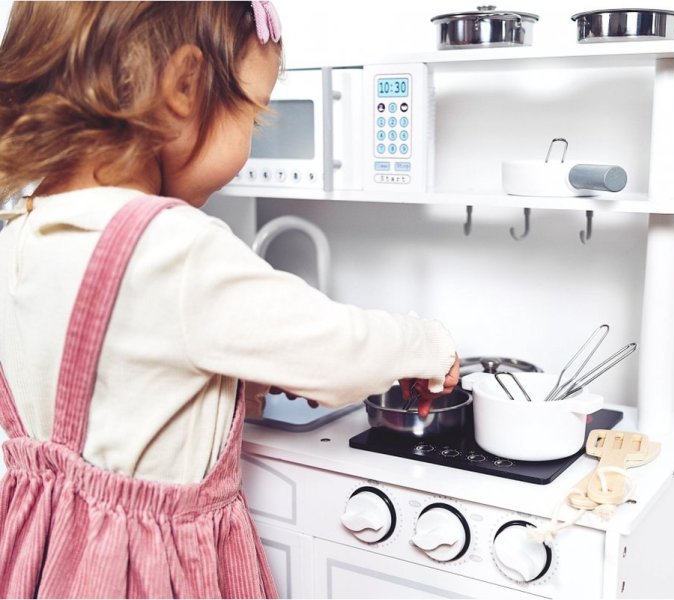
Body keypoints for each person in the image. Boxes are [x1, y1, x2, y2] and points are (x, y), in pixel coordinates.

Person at [0, 1, 459, 597]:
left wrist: (242, 384)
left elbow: (112, 381)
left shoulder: (19, 237)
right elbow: (339, 353)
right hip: (152, 568)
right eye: (253, 116)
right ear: (185, 87)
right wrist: (428, 343)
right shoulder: (176, 248)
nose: (249, 144)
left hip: (41, 551)